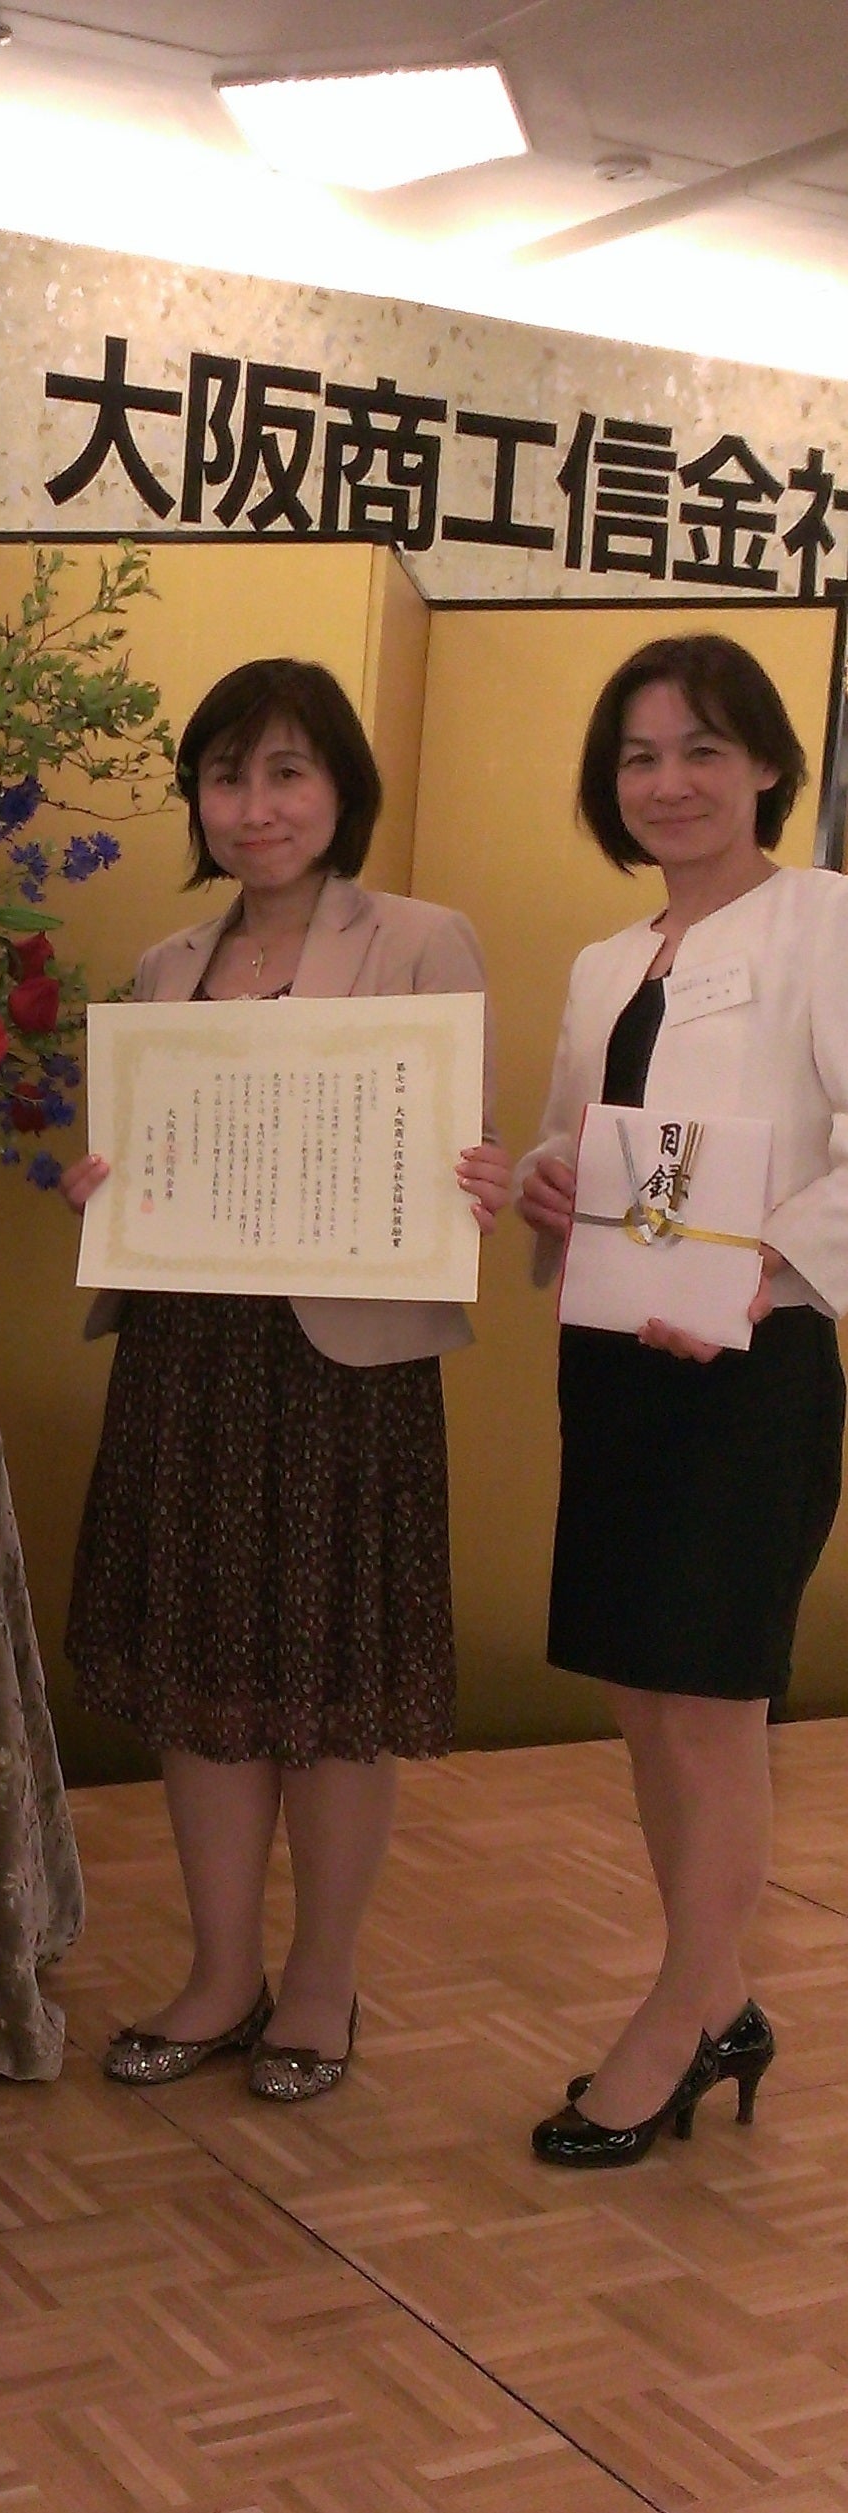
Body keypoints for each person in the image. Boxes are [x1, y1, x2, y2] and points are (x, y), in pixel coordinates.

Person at [64, 657, 508, 2101]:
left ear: (341, 790)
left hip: (345, 1369)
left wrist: (479, 1176)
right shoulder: (165, 969)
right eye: (226, 776)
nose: (254, 806)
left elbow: (448, 1141)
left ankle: (321, 1980)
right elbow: (155, 1160)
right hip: (190, 1360)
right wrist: (107, 1190)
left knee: (333, 1684)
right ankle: (218, 1973)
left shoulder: (424, 941)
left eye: (286, 772)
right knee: (202, 1675)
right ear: (198, 799)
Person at [518, 634, 847, 2167]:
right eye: (640, 756)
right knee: (646, 1701)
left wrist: (760, 1270)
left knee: (714, 1711)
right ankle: (719, 2004)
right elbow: (586, 1150)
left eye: (704, 748)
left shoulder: (824, 921)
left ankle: (677, 2017)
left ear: (768, 761)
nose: (671, 782)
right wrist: (543, 1183)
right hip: (617, 1366)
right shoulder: (608, 960)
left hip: (747, 1372)